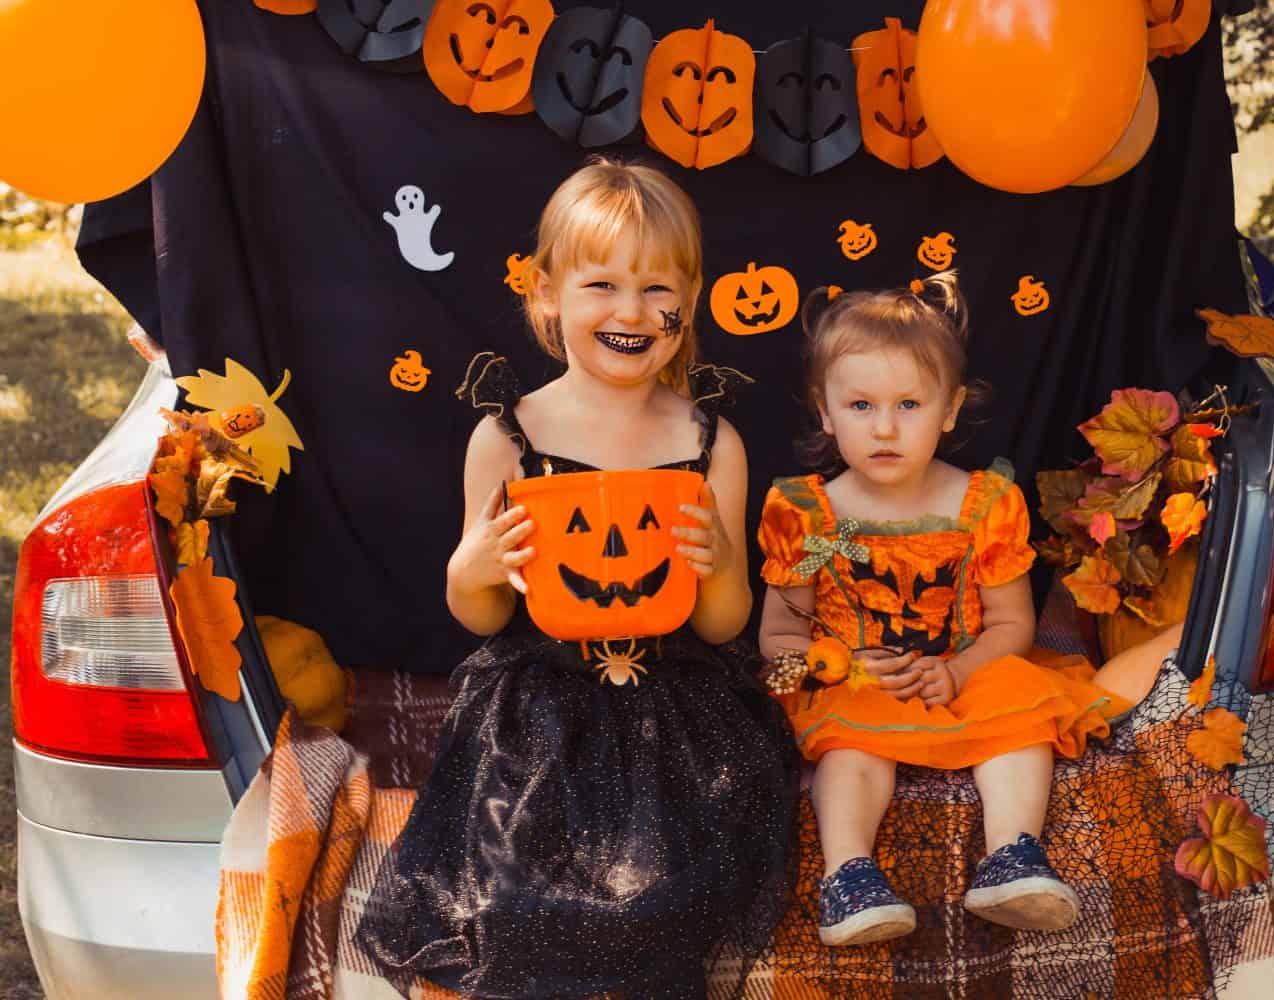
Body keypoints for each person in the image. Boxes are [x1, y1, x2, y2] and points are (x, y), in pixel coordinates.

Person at [357, 158, 800, 999]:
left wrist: (719, 566)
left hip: (677, 700)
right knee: (519, 894)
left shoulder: (712, 443)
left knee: (674, 892)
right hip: (540, 703)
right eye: (602, 285)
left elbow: (722, 624)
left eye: (656, 288)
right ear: (549, 294)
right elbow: (480, 615)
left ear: (689, 299)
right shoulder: (511, 437)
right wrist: (472, 566)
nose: (631, 312)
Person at [757, 273, 1181, 947]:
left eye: (909, 405)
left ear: (949, 410)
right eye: (861, 405)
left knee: (1020, 709)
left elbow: (1012, 624)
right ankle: (849, 876)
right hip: (860, 684)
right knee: (850, 742)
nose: (886, 427)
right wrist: (825, 664)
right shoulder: (820, 521)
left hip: (966, 669)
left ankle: (1013, 856)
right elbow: (781, 627)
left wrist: (958, 671)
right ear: (825, 410)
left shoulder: (980, 506)